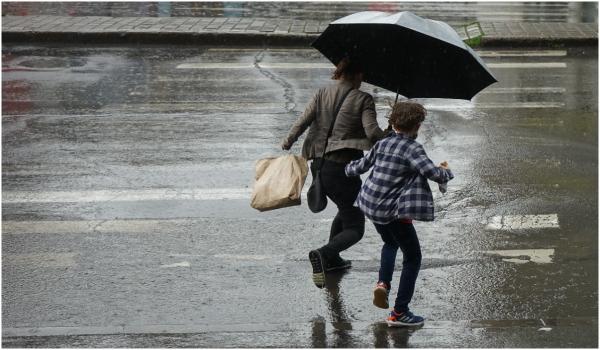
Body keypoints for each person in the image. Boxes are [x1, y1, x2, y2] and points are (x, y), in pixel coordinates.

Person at [281, 58, 389, 288]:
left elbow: (303, 120)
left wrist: (289, 140)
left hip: (319, 165)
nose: (363, 80)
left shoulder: (322, 92)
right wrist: (388, 136)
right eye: (362, 76)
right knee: (355, 227)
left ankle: (333, 259)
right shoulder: (363, 99)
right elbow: (371, 131)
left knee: (346, 208)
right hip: (343, 168)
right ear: (357, 74)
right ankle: (323, 253)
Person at [345, 101, 454, 327]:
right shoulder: (413, 148)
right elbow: (432, 173)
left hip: (371, 204)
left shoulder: (383, 143)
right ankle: (399, 313)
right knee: (413, 258)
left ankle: (382, 284)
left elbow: (361, 166)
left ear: (393, 122)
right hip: (392, 209)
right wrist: (446, 171)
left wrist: (345, 169)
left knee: (390, 243)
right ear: (417, 126)